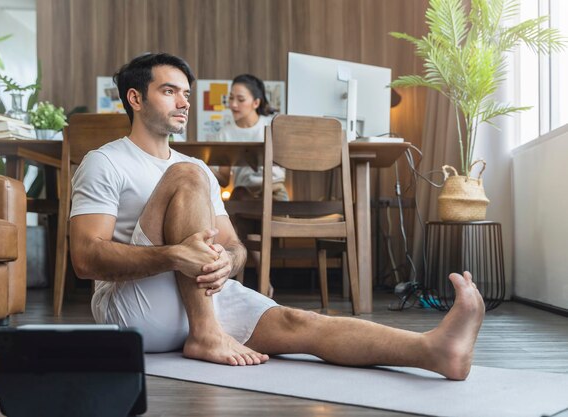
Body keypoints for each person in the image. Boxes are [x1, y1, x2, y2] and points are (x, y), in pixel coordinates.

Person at [69, 52, 485, 380]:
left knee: (298, 320)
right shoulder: (106, 162)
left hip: (197, 295)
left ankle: (436, 351)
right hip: (135, 310)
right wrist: (175, 255)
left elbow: (233, 247)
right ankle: (206, 334)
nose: (183, 102)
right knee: (189, 175)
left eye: (186, 94)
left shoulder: (192, 168)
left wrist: (226, 263)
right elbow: (86, 260)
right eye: (169, 91)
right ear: (135, 98)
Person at [213, 74, 288, 202]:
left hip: (275, 192)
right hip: (242, 195)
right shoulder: (224, 134)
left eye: (240, 99)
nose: (233, 105)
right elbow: (224, 180)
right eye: (231, 98)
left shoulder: (272, 126)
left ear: (256, 102)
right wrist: (202, 165)